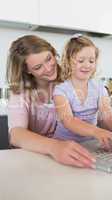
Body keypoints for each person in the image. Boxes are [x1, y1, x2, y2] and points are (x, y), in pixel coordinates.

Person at [6, 35, 96, 169]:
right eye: (38, 67)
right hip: (33, 158)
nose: (48, 68)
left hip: (67, 154)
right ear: (27, 70)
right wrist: (54, 146)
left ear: (54, 53)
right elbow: (16, 134)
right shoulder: (20, 92)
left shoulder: (70, 80)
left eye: (49, 59)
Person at [53, 34, 112, 151]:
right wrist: (97, 131)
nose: (87, 65)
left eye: (91, 61)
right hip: (63, 145)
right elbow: (68, 121)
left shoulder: (100, 88)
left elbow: (107, 116)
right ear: (68, 61)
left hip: (90, 145)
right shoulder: (61, 90)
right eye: (81, 61)